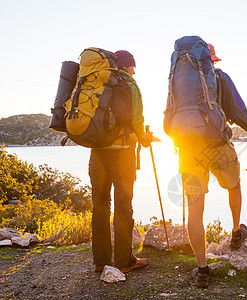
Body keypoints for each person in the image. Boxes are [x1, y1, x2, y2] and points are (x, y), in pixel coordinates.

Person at [181, 43, 247, 287]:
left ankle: (202, 269)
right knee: (234, 185)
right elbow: (240, 115)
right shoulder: (220, 78)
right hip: (219, 145)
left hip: (188, 150)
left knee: (194, 208)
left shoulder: (179, 82)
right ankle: (235, 232)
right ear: (211, 60)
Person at [89, 50, 152, 273]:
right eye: (133, 66)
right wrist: (145, 138)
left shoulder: (97, 82)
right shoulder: (129, 85)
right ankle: (124, 261)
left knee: (99, 205)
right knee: (123, 206)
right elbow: (137, 121)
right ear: (126, 66)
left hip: (97, 152)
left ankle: (100, 261)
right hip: (122, 153)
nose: (134, 70)